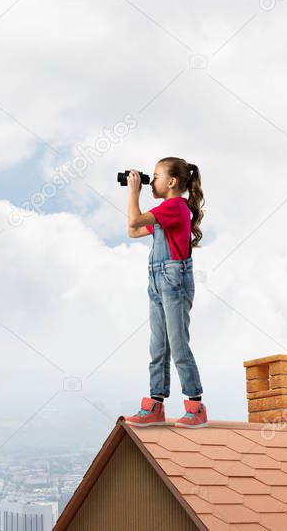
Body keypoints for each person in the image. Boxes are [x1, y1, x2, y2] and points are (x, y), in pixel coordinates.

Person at [124, 157, 207, 428]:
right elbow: (133, 230)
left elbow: (135, 218)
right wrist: (133, 195)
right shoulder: (163, 212)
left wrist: (133, 192)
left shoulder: (174, 207)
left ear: (171, 182)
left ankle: (195, 407)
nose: (152, 181)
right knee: (157, 346)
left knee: (178, 344)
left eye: (156, 176)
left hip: (174, 280)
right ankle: (155, 406)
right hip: (157, 280)